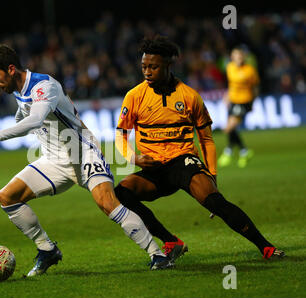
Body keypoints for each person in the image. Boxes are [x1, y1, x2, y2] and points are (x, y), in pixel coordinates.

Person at [0, 44, 173, 277]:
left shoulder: (44, 86)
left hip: (83, 153)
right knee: (7, 197)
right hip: (54, 161)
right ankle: (47, 249)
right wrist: (17, 120)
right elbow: (24, 114)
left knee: (108, 203)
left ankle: (157, 255)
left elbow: (35, 119)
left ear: (11, 69)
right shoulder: (17, 88)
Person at [114, 35, 284, 261]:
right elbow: (120, 135)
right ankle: (171, 241)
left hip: (183, 162)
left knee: (214, 200)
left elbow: (206, 140)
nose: (147, 71)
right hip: (153, 168)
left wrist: (212, 176)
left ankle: (266, 247)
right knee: (121, 193)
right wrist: (134, 158)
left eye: (153, 67)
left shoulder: (189, 96)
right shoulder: (134, 96)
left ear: (168, 65)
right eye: (144, 66)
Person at [218, 47, 260, 168]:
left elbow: (255, 87)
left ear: (243, 57)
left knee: (228, 128)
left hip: (244, 101)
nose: (238, 58)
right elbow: (232, 85)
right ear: (232, 57)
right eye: (236, 55)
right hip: (233, 101)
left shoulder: (250, 70)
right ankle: (242, 151)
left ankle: (231, 151)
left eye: (240, 56)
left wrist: (252, 103)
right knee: (232, 129)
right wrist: (227, 96)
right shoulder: (230, 67)